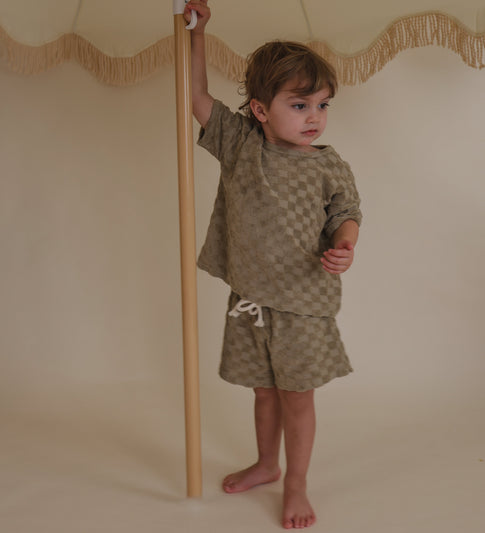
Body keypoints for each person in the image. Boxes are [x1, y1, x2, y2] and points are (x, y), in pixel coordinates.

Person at [184, 1, 362, 529]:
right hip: (251, 300)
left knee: (296, 398)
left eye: (322, 105)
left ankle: (297, 484)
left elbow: (347, 213)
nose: (315, 117)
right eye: (300, 105)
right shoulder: (241, 145)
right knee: (264, 392)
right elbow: (196, 98)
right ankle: (267, 463)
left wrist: (345, 245)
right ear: (261, 111)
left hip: (303, 305)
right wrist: (198, 34)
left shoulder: (328, 164)